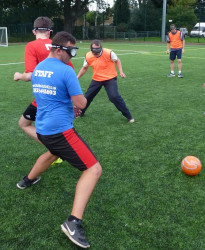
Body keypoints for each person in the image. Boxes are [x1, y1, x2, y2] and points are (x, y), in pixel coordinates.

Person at [16, 31, 102, 249]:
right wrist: (76, 103)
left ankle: (27, 180)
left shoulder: (40, 68)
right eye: (71, 51)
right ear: (57, 49)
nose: (72, 56)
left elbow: (31, 79)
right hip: (60, 132)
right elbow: (81, 104)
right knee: (93, 169)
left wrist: (18, 75)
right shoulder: (66, 71)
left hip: (44, 130)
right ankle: (73, 223)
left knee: (53, 152)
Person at [14, 16, 73, 164]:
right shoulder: (57, 46)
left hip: (45, 98)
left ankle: (56, 151)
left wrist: (19, 76)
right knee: (57, 130)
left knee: (24, 124)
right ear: (50, 32)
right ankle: (57, 150)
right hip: (64, 97)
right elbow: (69, 70)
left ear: (34, 31)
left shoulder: (31, 46)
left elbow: (32, 75)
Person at [77, 40, 134, 123]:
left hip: (110, 78)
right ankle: (81, 112)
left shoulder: (109, 53)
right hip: (97, 79)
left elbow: (117, 60)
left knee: (114, 96)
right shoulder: (88, 56)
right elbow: (84, 68)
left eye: (98, 50)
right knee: (87, 96)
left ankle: (129, 116)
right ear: (90, 49)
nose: (96, 53)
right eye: (94, 51)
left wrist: (121, 72)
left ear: (101, 48)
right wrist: (77, 77)